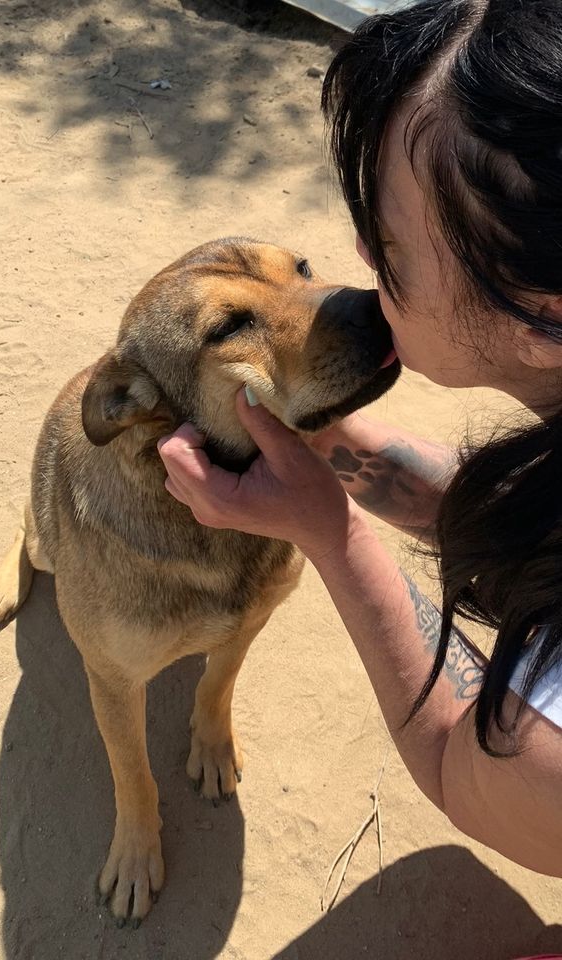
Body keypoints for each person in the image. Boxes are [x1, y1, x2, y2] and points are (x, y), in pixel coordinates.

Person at [157, 0, 562, 894]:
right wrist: (324, 434)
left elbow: (465, 769)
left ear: (545, 313)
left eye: (387, 251)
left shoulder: (549, 747)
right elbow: (524, 514)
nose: (352, 270)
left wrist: (330, 533)